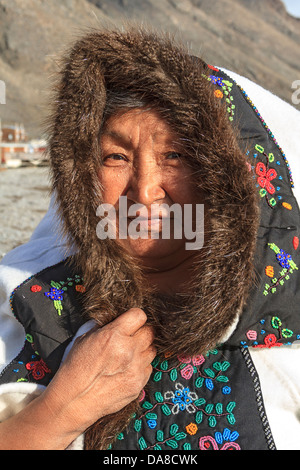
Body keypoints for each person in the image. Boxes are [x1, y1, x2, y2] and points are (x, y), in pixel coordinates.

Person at [0, 27, 299, 450]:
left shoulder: (286, 330)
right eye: (116, 157)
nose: (144, 190)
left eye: (175, 155)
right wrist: (63, 410)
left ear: (231, 177)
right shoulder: (27, 303)